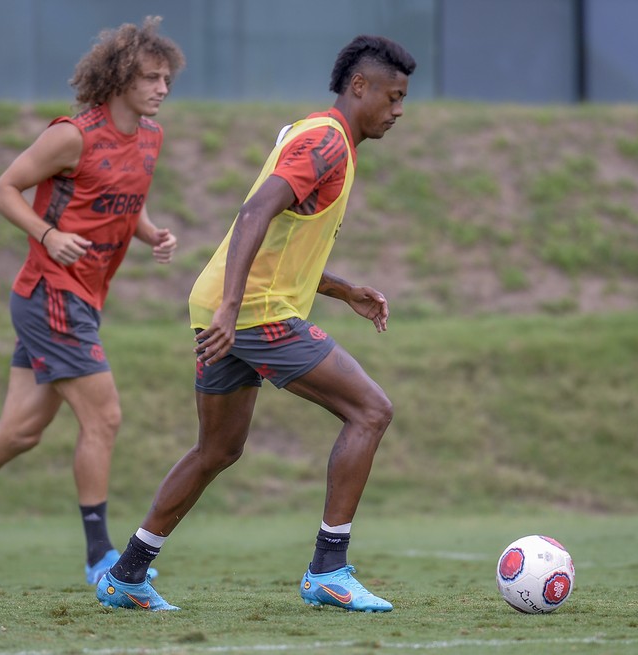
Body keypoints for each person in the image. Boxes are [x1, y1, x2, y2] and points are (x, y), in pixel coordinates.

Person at [95, 34, 417, 613]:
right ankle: (329, 568)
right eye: (392, 97)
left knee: (216, 449)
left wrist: (342, 290)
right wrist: (233, 307)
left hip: (228, 305)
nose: (398, 111)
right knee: (371, 410)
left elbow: (280, 235)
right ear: (359, 86)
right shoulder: (326, 142)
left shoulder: (313, 132)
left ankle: (127, 574)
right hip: (252, 311)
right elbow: (254, 213)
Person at [0, 17, 185, 588]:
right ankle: (102, 558)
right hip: (52, 293)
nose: (161, 89)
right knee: (105, 417)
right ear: (121, 78)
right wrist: (48, 236)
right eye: (150, 78)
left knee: (21, 430)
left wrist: (150, 233)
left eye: (167, 79)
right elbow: (3, 188)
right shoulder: (72, 135)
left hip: (82, 297)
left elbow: (125, 198)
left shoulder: (151, 136)